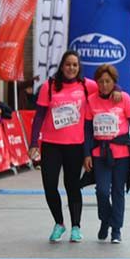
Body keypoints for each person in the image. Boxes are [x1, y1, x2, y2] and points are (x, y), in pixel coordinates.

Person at [28, 50, 96, 243]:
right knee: (49, 185)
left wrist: (116, 90)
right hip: (51, 145)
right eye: (68, 64)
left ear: (79, 67)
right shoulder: (48, 86)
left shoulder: (86, 86)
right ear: (62, 66)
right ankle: (59, 223)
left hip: (75, 145)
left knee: (72, 186)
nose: (71, 68)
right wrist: (34, 142)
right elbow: (39, 115)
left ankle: (76, 226)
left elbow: (107, 86)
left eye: (75, 65)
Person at [86, 64, 130, 243]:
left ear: (114, 82)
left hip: (121, 153)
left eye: (108, 81)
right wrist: (86, 154)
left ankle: (116, 229)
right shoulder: (91, 100)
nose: (104, 85)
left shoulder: (124, 99)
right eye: (101, 81)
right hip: (100, 153)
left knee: (118, 192)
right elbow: (88, 130)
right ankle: (105, 220)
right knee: (102, 191)